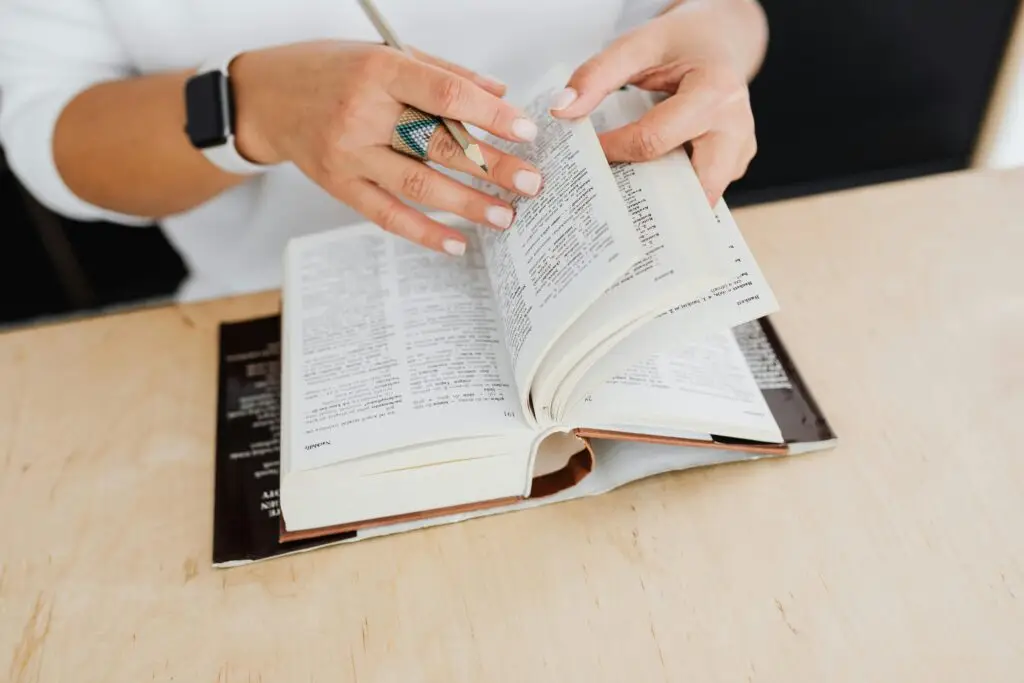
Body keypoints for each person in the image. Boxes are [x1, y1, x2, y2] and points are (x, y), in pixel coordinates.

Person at [0, 0, 767, 302]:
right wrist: (252, 106)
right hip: (281, 311)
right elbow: (52, 135)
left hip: (622, 283)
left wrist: (715, 45)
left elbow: (717, 11)